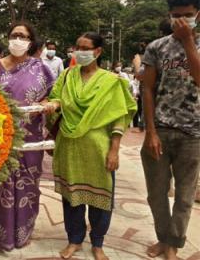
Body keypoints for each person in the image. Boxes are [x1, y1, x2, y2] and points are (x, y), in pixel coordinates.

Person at [43, 32, 137, 260]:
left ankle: (97, 243)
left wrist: (114, 150)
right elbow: (56, 98)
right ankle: (74, 240)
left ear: (98, 51)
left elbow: (119, 117)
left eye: (85, 48)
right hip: (69, 146)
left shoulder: (112, 81)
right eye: (77, 47)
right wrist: (51, 104)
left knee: (101, 199)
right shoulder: (66, 76)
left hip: (99, 148)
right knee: (71, 197)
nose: (80, 51)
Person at [0, 22, 55, 251]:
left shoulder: (41, 67)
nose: (18, 39)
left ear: (30, 41)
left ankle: (20, 232)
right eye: (14, 35)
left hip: (30, 141)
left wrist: (47, 104)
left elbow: (52, 94)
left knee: (26, 187)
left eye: (23, 36)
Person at [140, 0, 200, 259]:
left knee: (185, 197)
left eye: (187, 14)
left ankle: (173, 243)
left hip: (194, 134)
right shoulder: (156, 47)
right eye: (176, 15)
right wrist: (150, 131)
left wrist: (188, 42)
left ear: (198, 14)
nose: (181, 20)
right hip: (160, 130)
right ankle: (163, 238)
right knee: (156, 193)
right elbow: (147, 89)